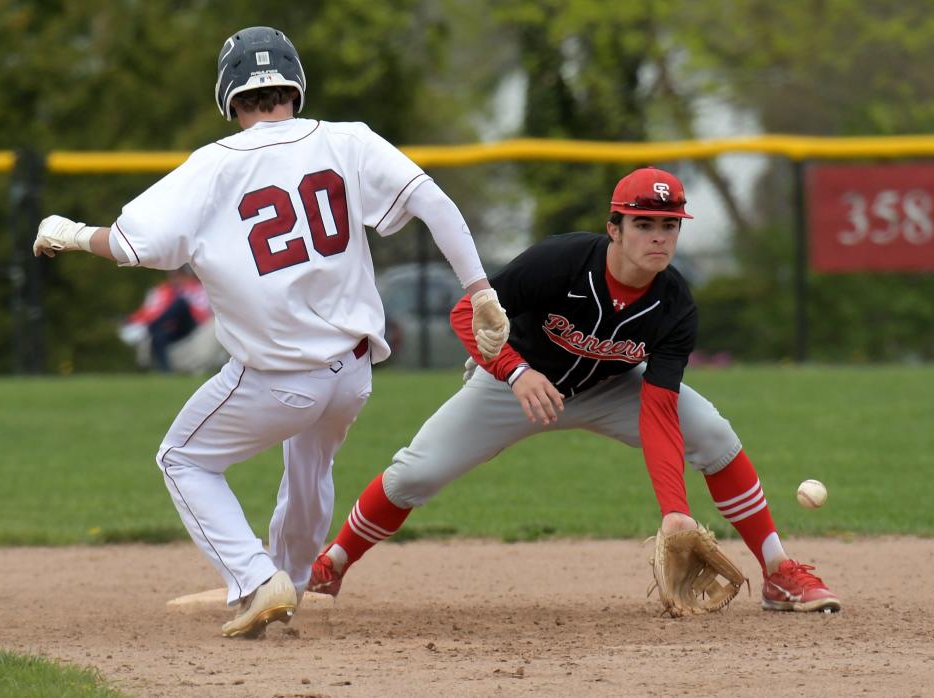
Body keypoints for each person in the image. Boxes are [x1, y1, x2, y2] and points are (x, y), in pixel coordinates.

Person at [32, 25, 509, 638]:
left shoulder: (212, 166)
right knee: (309, 469)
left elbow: (130, 245)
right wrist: (480, 289)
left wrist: (70, 233)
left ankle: (260, 582)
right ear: (296, 87)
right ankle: (290, 583)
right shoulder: (348, 141)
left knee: (181, 459)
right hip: (355, 373)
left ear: (230, 96)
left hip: (280, 379)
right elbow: (433, 201)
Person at [307, 166, 841, 614]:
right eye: (644, 223)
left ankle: (777, 571)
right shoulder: (559, 262)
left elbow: (660, 409)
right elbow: (468, 313)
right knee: (415, 472)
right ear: (615, 227)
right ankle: (333, 562)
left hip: (610, 388)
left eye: (670, 226)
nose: (659, 236)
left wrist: (674, 510)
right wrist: (515, 371)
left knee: (715, 438)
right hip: (515, 381)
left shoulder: (674, 304)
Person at [119, 265, 225, 373]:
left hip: (192, 325)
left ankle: (151, 327)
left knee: (181, 304)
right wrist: (132, 319)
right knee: (158, 335)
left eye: (180, 273)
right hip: (170, 328)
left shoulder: (198, 289)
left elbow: (204, 313)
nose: (176, 276)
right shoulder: (164, 290)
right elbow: (151, 311)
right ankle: (165, 371)